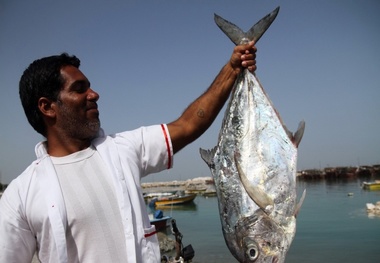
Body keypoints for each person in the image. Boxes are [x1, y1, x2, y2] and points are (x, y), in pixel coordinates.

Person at [0, 41, 257, 263]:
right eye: (79, 89)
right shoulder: (20, 196)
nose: (94, 94)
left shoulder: (123, 149)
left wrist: (232, 70)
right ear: (47, 107)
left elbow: (189, 124)